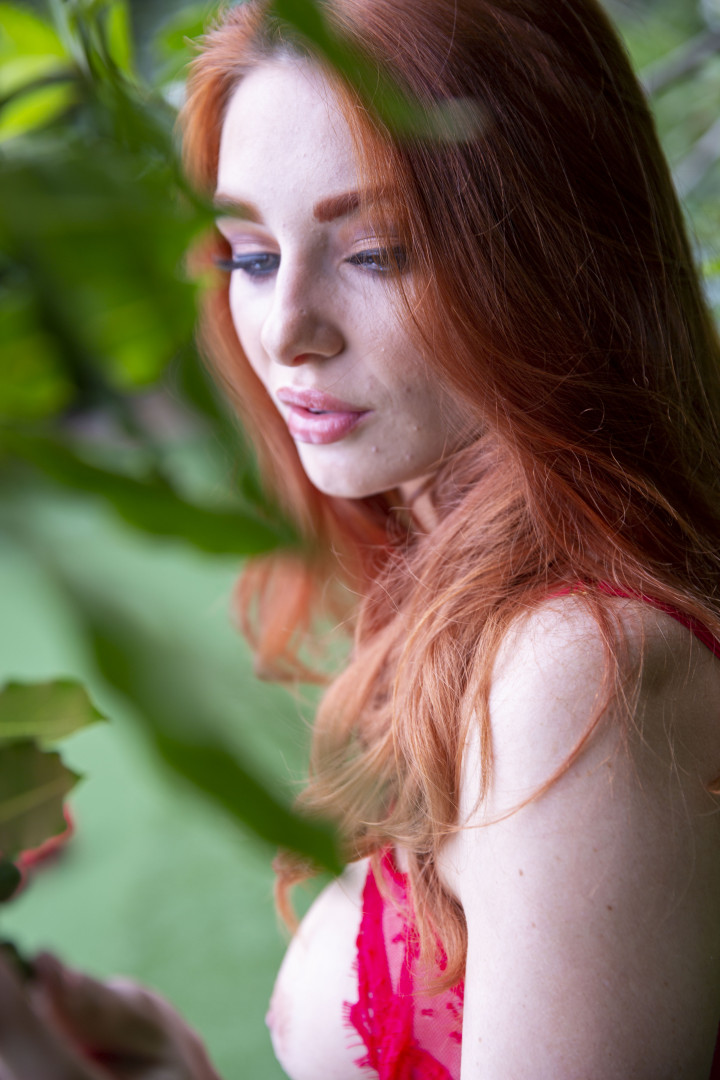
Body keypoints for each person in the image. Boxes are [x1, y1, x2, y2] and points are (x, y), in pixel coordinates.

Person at [3, 0, 720, 1076]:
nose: (289, 328)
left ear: (557, 247)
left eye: (376, 252)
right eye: (249, 255)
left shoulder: (585, 670)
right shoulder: (481, 599)